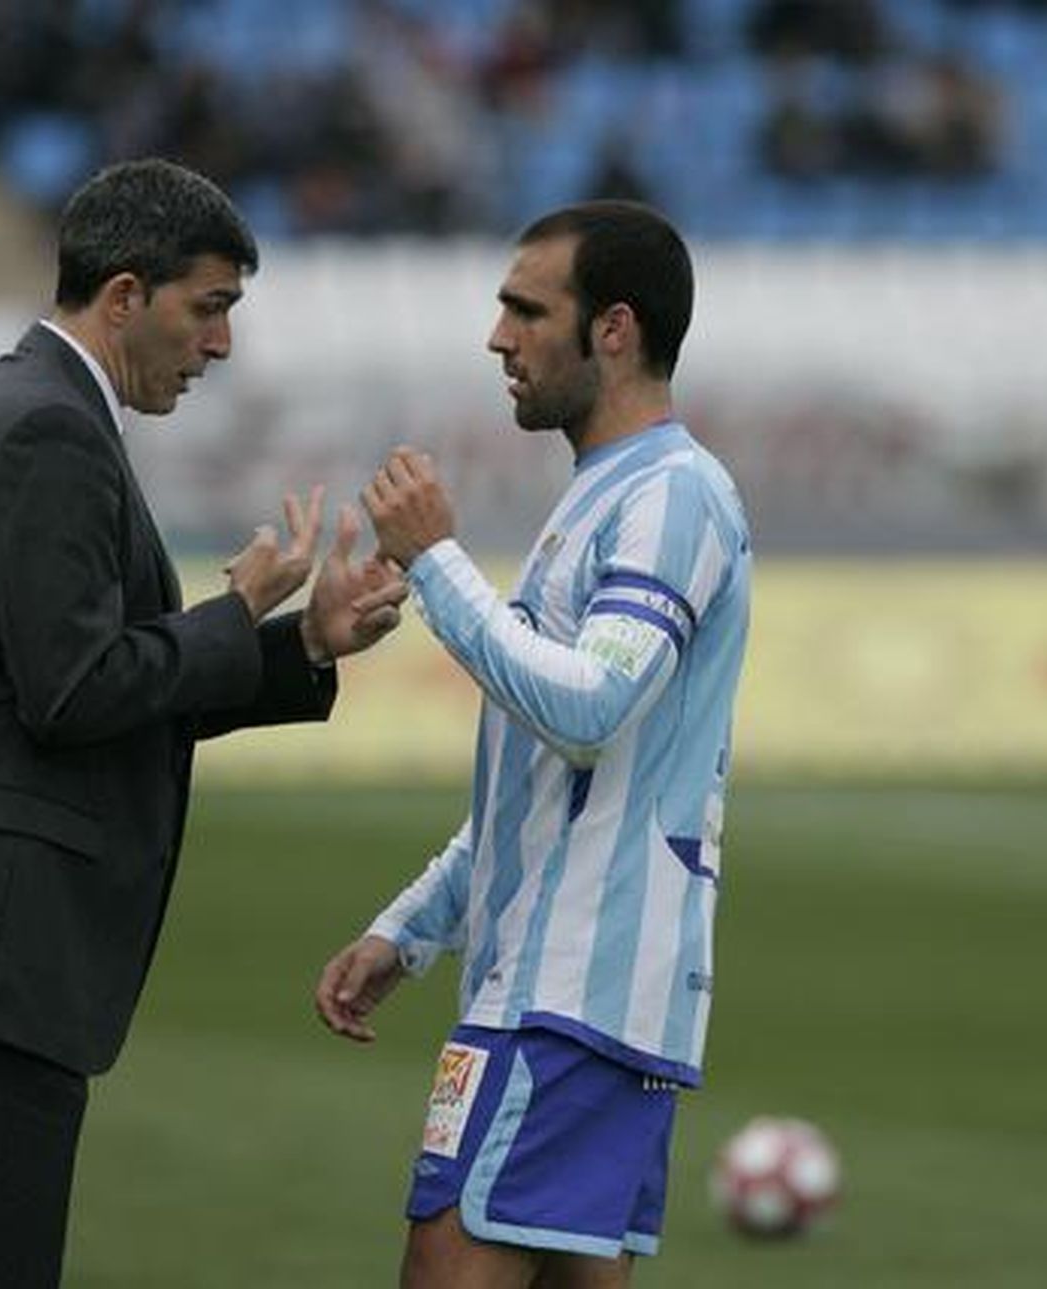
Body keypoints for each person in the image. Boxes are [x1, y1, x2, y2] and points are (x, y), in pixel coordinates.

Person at [0, 158, 406, 1288]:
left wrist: (302, 644)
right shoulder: (47, 428)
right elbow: (75, 689)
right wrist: (238, 613)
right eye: (210, 307)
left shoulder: (34, 408)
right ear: (125, 294)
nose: (222, 345)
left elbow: (81, 677)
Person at [317, 201, 752, 1287]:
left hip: (566, 996)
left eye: (524, 309)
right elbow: (551, 778)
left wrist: (435, 563)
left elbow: (587, 708)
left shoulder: (673, 495)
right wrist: (410, 929)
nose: (496, 337)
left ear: (612, 328)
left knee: (446, 1261)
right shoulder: (604, 496)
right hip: (567, 993)